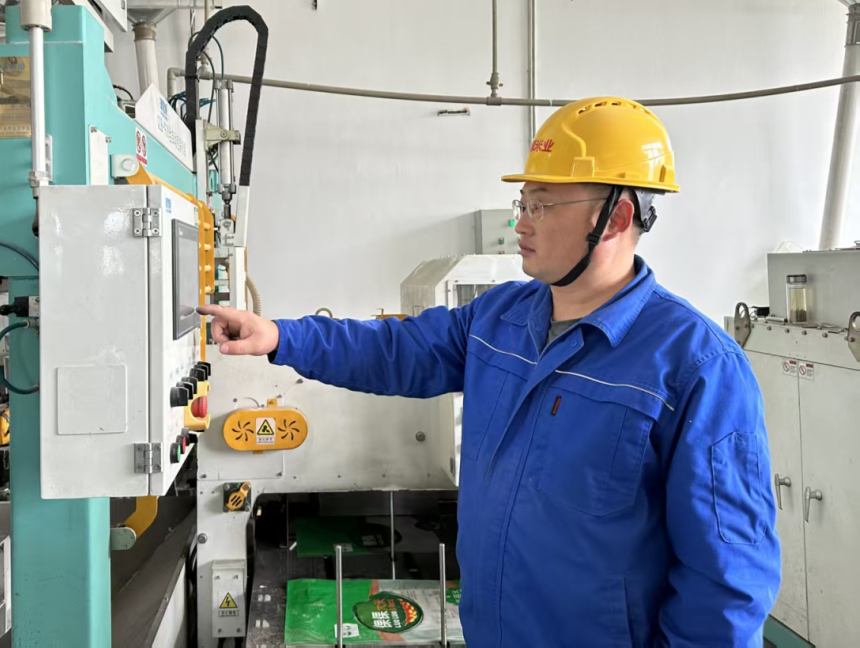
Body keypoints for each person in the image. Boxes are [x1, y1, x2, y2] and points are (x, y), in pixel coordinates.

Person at [200, 97, 781, 648]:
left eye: (540, 205)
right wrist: (281, 337)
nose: (521, 223)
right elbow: (397, 349)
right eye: (521, 203)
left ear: (615, 217)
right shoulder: (500, 317)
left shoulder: (696, 368)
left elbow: (726, 583)